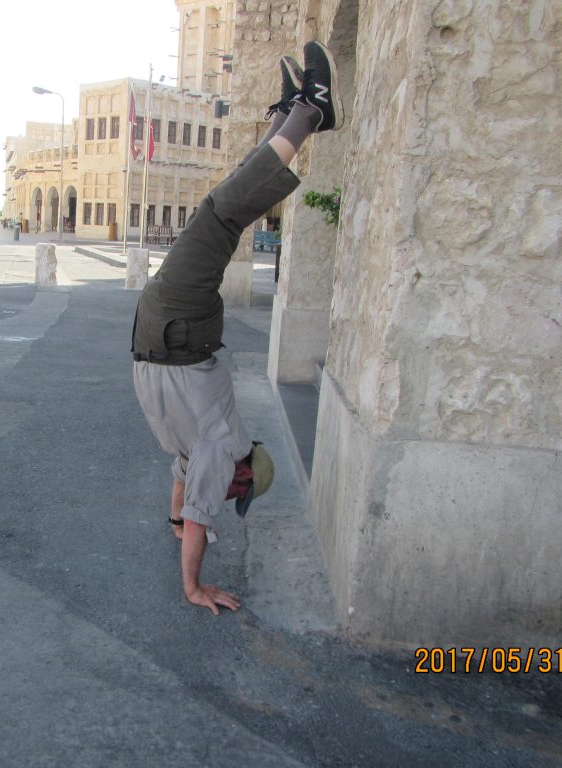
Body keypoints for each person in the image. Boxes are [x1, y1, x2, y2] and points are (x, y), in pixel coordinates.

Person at [131, 41, 343, 615]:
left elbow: (188, 501)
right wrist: (193, 585)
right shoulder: (222, 452)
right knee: (223, 211)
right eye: (237, 493)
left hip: (168, 333)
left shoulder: (204, 455)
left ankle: (294, 115)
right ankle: (309, 112)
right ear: (242, 474)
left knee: (224, 208)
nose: (227, 496)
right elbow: (200, 509)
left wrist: (179, 530)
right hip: (175, 330)